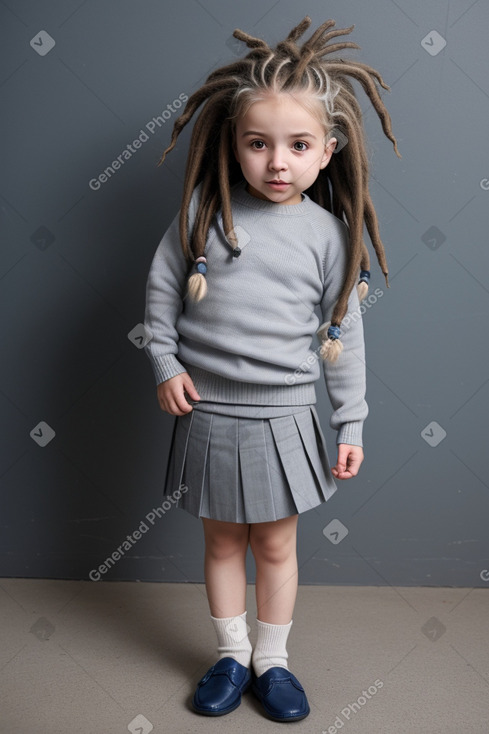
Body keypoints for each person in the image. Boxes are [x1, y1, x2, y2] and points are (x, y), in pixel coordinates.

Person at [143, 16, 400, 723]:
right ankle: (229, 654)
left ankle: (272, 662)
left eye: (296, 145)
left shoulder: (328, 235)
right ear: (234, 144)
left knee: (276, 544)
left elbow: (342, 332)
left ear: (329, 150)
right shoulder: (203, 212)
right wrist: (164, 360)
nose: (276, 163)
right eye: (258, 144)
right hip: (209, 409)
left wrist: (349, 419)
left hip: (286, 414)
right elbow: (162, 291)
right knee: (222, 539)